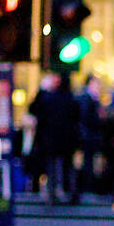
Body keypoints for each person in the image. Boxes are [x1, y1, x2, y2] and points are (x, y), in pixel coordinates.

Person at [28, 73, 77, 205]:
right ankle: (70, 193)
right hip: (66, 140)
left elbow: (34, 110)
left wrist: (42, 90)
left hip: (51, 139)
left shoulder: (50, 98)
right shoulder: (71, 99)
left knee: (52, 167)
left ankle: (52, 194)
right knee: (67, 167)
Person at [72, 75, 104, 204]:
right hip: (88, 136)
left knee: (88, 162)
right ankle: (87, 187)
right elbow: (88, 117)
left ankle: (87, 186)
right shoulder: (87, 98)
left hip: (88, 136)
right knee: (88, 162)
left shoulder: (87, 97)